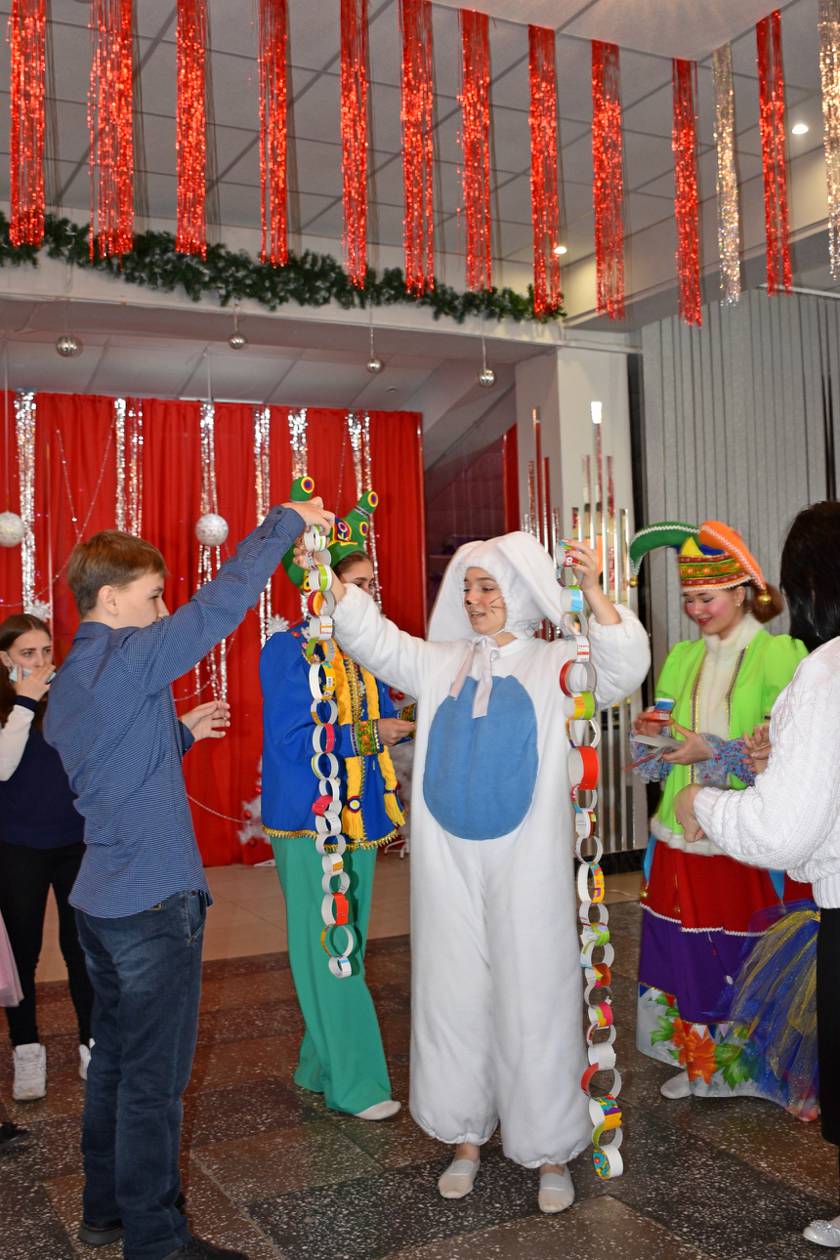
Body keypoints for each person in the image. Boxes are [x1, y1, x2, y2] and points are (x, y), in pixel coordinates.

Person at [326, 529, 649, 1214]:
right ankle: (465, 1136)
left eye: (488, 587)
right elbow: (373, 639)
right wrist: (330, 579)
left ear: (522, 593)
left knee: (537, 997)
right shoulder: (440, 661)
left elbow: (620, 671)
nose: (473, 599)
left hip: (526, 862)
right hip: (447, 862)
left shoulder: (556, 662)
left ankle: (550, 1149)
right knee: (450, 995)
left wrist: (593, 592)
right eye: (467, 587)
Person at [44, 496, 333, 1260]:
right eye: (153, 596)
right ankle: (157, 1240)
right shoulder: (130, 656)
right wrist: (285, 521)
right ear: (112, 600)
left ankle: (104, 1212)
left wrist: (177, 732)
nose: (164, 610)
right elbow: (221, 605)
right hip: (150, 905)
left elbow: (108, 767)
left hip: (99, 905)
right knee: (153, 1082)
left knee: (113, 1063)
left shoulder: (71, 681)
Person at [674, 501, 840, 1250]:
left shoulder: (819, 669)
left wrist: (702, 801)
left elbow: (783, 828)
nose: (699, 607)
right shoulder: (691, 659)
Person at [629, 520, 809, 1105]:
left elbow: (788, 755)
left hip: (743, 835)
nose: (695, 610)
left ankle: (754, 1070)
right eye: (688, 599)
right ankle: (701, 1063)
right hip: (680, 834)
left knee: (743, 948)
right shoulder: (682, 658)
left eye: (706, 597)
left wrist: (712, 750)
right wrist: (648, 740)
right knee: (686, 947)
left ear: (741, 591)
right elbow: (658, 759)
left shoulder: (781, 655)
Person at [261, 487, 412, 1121]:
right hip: (309, 821)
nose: (368, 596)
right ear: (319, 583)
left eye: (371, 584)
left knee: (342, 945)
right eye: (357, 584)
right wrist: (371, 734)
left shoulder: (369, 649)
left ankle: (318, 1063)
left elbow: (385, 710)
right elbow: (292, 742)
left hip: (363, 816)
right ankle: (357, 1084)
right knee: (334, 949)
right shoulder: (287, 650)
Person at [0, 613, 95, 1101]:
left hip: (74, 840)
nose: (39, 662)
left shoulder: (67, 696)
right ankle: (26, 1049)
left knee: (83, 948)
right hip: (17, 846)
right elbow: (3, 767)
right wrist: (23, 702)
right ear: (5, 659)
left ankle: (91, 1044)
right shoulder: (7, 704)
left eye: (44, 651)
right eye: (26, 654)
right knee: (21, 953)